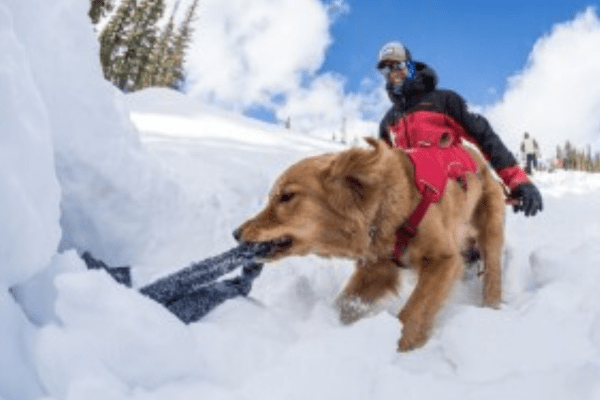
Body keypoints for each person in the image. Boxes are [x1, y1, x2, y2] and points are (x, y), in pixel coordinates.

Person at [376, 41, 543, 217]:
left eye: (398, 66)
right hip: (416, 209)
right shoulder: (388, 121)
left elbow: (484, 136)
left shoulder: (444, 101)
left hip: (455, 196)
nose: (393, 73)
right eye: (386, 70)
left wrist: (517, 181)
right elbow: (383, 168)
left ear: (410, 66)